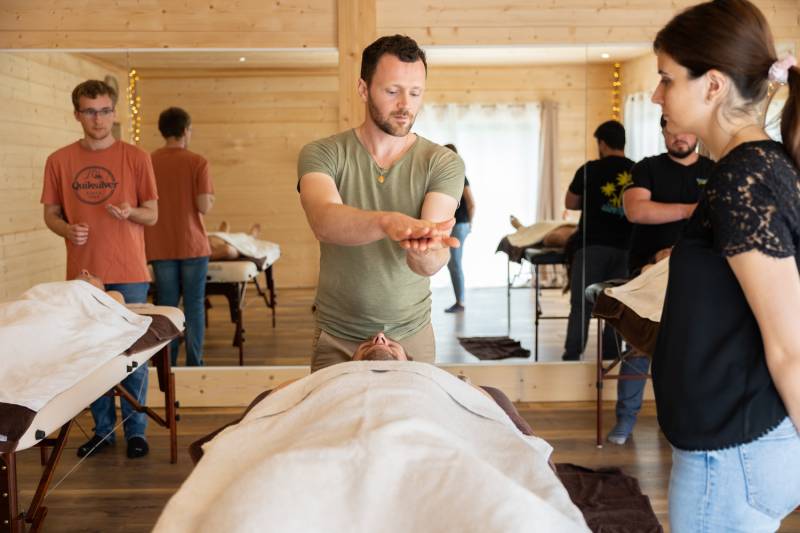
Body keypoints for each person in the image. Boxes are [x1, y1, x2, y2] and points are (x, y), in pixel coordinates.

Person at [650, 1, 800, 530]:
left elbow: (790, 346)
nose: (656, 95)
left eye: (666, 79)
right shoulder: (751, 168)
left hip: (733, 457)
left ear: (712, 85)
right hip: (732, 448)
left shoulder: (744, 178)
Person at [297, 35, 465, 372]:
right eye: (392, 91)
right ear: (363, 89)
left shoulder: (443, 162)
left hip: (411, 334)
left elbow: (431, 262)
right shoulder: (322, 153)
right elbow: (324, 221)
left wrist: (424, 252)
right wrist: (389, 223)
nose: (405, 105)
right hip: (337, 336)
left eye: (415, 93)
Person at [41, 79, 158, 459]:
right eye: (90, 111)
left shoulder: (136, 157)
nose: (98, 119)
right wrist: (65, 229)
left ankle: (136, 430)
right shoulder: (59, 160)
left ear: (114, 112)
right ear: (77, 114)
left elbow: (152, 214)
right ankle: (103, 431)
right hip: (84, 274)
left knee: (132, 354)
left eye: (105, 110)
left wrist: (131, 212)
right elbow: (51, 214)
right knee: (90, 354)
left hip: (130, 268)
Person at [606, 116, 714, 445]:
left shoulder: (714, 171)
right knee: (639, 347)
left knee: (694, 350)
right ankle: (626, 419)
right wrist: (690, 210)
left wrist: (681, 251)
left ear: (697, 132)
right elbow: (637, 211)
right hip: (647, 268)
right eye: (672, 131)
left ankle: (684, 422)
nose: (679, 137)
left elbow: (720, 220)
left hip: (699, 271)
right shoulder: (647, 168)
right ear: (663, 132)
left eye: (686, 131)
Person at [145, 107, 215, 367]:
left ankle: (169, 365)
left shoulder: (148, 161)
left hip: (160, 245)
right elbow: (204, 206)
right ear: (186, 130)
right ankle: (195, 364)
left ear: (163, 131)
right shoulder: (198, 162)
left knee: (167, 306)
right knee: (194, 305)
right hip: (192, 244)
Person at [562, 120, 634, 361]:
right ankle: (611, 354)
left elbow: (570, 203)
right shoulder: (637, 170)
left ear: (602, 144)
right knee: (616, 304)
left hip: (592, 245)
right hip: (626, 247)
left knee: (581, 305)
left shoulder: (589, 169)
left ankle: (572, 355)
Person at [442, 143, 475, 313]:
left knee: (454, 262)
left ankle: (460, 302)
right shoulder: (447, 176)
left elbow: (471, 203)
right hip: (454, 224)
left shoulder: (461, 177)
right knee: (452, 263)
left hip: (460, 224)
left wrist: (469, 224)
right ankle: (459, 300)